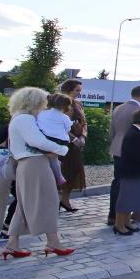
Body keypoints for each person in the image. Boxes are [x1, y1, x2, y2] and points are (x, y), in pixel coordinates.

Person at [2, 87, 74, 259]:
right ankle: (53, 242)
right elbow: (38, 141)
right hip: (35, 163)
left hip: (26, 164)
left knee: (24, 205)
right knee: (49, 201)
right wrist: (62, 149)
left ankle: (12, 244)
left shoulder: (18, 118)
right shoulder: (25, 119)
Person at [108, 85, 140, 226]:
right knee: (130, 184)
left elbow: (112, 130)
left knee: (117, 182)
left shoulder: (118, 108)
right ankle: (129, 216)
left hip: (117, 147)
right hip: (131, 150)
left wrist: (114, 143)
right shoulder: (139, 111)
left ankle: (112, 215)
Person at [57, 79, 87, 213]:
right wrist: (73, 138)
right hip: (62, 142)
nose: (79, 93)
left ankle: (65, 199)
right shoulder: (58, 103)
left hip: (76, 145)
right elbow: (57, 124)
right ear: (68, 90)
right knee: (61, 171)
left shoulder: (78, 104)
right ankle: (55, 199)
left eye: (80, 91)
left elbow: (84, 122)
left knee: (73, 171)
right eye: (77, 90)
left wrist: (83, 136)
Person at [35, 93, 73, 188]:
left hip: (44, 139)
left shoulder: (41, 113)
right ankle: (59, 177)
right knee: (54, 158)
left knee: (50, 158)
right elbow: (68, 129)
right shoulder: (64, 117)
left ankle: (54, 173)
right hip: (60, 141)